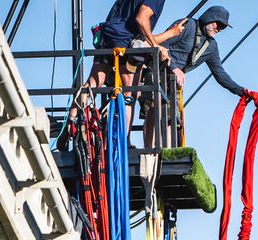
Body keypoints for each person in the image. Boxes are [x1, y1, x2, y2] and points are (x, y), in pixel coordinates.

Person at [58, 0, 184, 150]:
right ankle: (125, 142)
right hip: (125, 40)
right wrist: (156, 47)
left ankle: (70, 121)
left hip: (108, 34)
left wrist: (169, 33)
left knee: (92, 84)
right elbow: (141, 18)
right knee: (130, 94)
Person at [164, 6, 245, 96]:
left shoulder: (211, 46)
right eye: (219, 25)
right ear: (210, 18)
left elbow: (220, 73)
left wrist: (242, 92)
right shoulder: (188, 25)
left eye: (223, 27)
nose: (219, 30)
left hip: (173, 83)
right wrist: (174, 67)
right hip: (157, 70)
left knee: (171, 108)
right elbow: (162, 43)